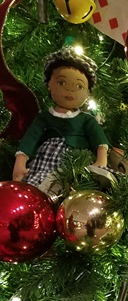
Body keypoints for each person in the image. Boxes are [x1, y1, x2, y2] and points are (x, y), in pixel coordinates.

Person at [12, 47, 109, 193]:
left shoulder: (86, 120)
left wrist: (101, 161)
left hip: (75, 161)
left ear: (88, 92)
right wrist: (20, 161)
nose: (70, 90)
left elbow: (100, 141)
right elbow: (30, 139)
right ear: (49, 84)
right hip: (45, 160)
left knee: (72, 191)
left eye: (79, 86)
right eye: (62, 83)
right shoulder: (44, 118)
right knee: (35, 188)